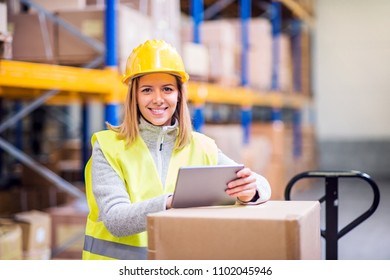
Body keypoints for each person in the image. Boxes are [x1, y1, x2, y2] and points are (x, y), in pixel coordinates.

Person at [82, 40, 271, 260]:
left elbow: (262, 185)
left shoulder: (202, 146)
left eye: (167, 89)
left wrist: (250, 192)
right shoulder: (107, 146)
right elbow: (116, 220)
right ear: (134, 95)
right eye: (146, 90)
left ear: (179, 95)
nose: (158, 99)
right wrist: (171, 202)